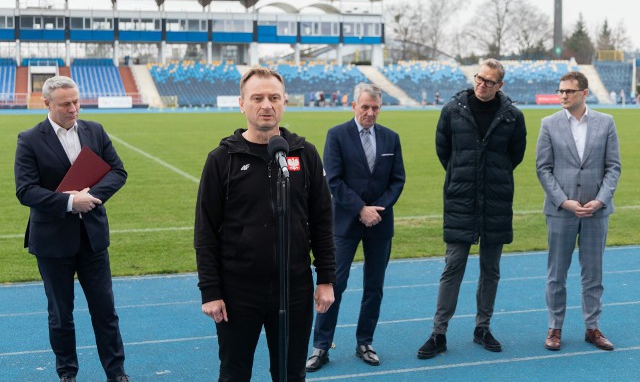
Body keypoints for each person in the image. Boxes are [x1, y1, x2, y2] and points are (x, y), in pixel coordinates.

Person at [194, 67, 336, 382]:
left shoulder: (304, 154)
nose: (266, 105)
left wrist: (326, 279)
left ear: (284, 102)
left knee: (290, 374)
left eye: (273, 97)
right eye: (257, 98)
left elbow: (323, 221)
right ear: (242, 104)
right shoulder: (222, 159)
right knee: (234, 374)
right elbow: (205, 231)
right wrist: (210, 290)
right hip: (237, 291)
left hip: (295, 289)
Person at [14, 76, 129, 382]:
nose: (74, 108)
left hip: (92, 239)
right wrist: (69, 202)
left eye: (77, 101)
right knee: (61, 315)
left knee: (105, 312)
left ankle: (117, 373)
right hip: (52, 241)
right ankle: (67, 374)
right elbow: (25, 191)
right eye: (66, 104)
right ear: (47, 103)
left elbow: (118, 171)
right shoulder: (29, 139)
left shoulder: (95, 130)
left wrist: (92, 197)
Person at [417, 59, 527, 359]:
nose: (482, 84)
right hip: (461, 199)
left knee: (490, 270)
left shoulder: (512, 117)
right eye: (479, 78)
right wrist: (462, 176)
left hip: (495, 200)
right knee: (453, 267)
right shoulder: (452, 111)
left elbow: (514, 156)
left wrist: (492, 177)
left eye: (489, 81)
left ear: (500, 85)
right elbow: (445, 152)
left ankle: (483, 327)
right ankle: (438, 333)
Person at [305, 83, 405, 371]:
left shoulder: (391, 138)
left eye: (375, 108)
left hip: (380, 224)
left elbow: (397, 180)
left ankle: (365, 342)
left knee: (374, 287)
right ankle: (321, 346)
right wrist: (361, 209)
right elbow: (333, 180)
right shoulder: (337, 135)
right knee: (333, 285)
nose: (370, 112)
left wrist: (377, 211)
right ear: (353, 106)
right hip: (345, 223)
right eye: (365, 107)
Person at [536, 71, 621, 351]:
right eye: (560, 91)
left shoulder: (606, 123)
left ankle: (592, 328)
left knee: (593, 273)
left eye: (569, 91)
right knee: (556, 273)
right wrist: (564, 201)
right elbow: (543, 168)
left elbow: (613, 167)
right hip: (561, 211)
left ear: (584, 93)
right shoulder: (548, 124)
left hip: (597, 211)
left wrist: (600, 200)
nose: (562, 95)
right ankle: (555, 327)